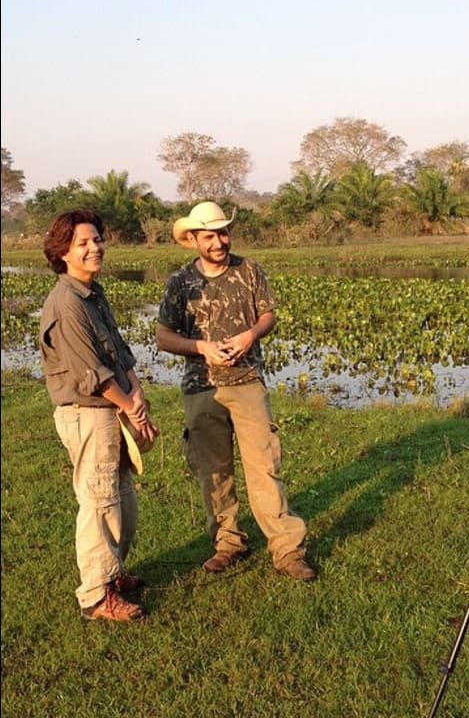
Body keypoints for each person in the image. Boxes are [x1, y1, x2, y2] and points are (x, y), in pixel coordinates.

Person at [155, 201, 314, 580]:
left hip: (247, 382)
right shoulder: (179, 283)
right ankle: (228, 543)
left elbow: (268, 314)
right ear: (192, 238)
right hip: (201, 388)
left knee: (265, 467)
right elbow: (163, 336)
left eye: (223, 233)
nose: (219, 241)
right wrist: (201, 348)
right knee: (213, 471)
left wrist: (251, 334)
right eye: (209, 236)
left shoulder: (249, 269)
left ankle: (287, 550)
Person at [39, 209, 159, 622]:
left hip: (114, 408)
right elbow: (91, 374)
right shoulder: (66, 303)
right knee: (98, 500)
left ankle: (113, 574)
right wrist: (130, 406)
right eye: (83, 243)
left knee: (121, 495)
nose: (94, 248)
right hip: (88, 412)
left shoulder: (93, 294)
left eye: (97, 240)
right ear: (63, 254)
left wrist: (137, 394)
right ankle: (95, 594)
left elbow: (119, 352)